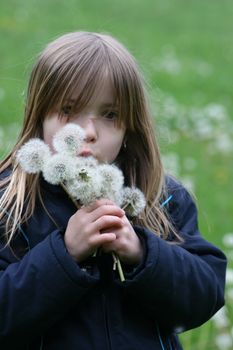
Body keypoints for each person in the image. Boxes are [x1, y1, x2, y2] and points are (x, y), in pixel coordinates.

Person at [0, 31, 226, 350]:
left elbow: (205, 297)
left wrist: (143, 253)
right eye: (68, 109)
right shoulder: (12, 206)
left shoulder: (161, 198)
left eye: (110, 115)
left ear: (129, 126)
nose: (89, 132)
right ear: (39, 116)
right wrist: (62, 255)